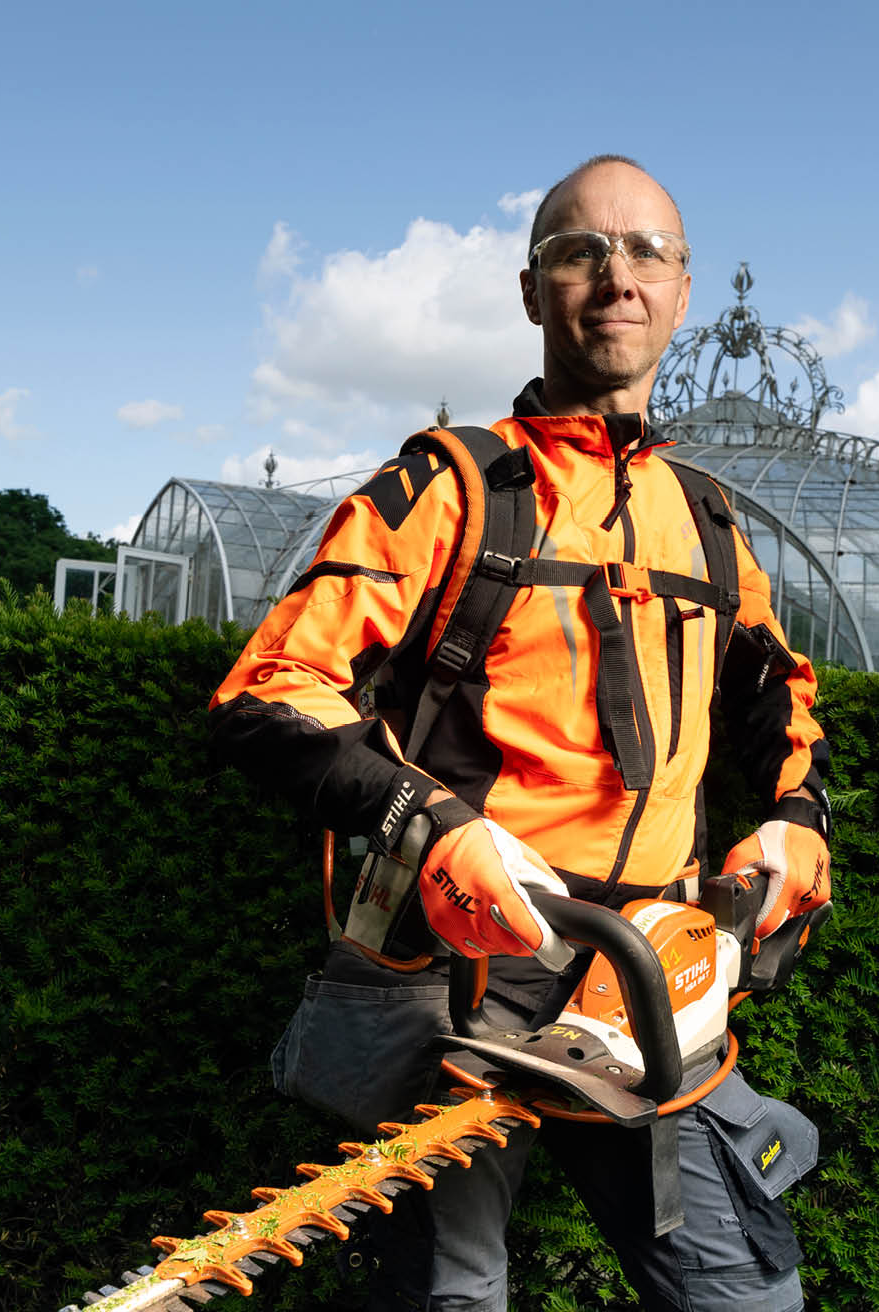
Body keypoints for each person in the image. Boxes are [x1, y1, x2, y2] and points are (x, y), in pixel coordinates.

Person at [208, 155, 833, 1312]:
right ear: (534, 289)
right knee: (448, 1298)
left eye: (647, 251)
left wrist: (797, 821)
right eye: (579, 251)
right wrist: (432, 825)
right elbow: (270, 689)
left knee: (745, 1292)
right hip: (456, 981)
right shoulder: (446, 488)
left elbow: (781, 703)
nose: (616, 277)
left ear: (684, 292)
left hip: (641, 983)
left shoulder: (705, 522)